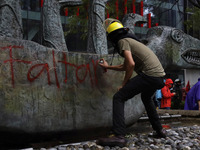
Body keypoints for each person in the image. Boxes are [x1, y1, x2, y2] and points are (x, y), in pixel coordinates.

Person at [97, 18, 166, 147]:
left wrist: (124, 83)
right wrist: (108, 67)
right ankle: (160, 130)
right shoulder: (130, 41)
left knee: (119, 97)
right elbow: (126, 65)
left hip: (150, 75)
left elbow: (131, 64)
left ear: (111, 36)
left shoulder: (123, 41)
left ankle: (119, 136)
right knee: (146, 97)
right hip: (159, 77)